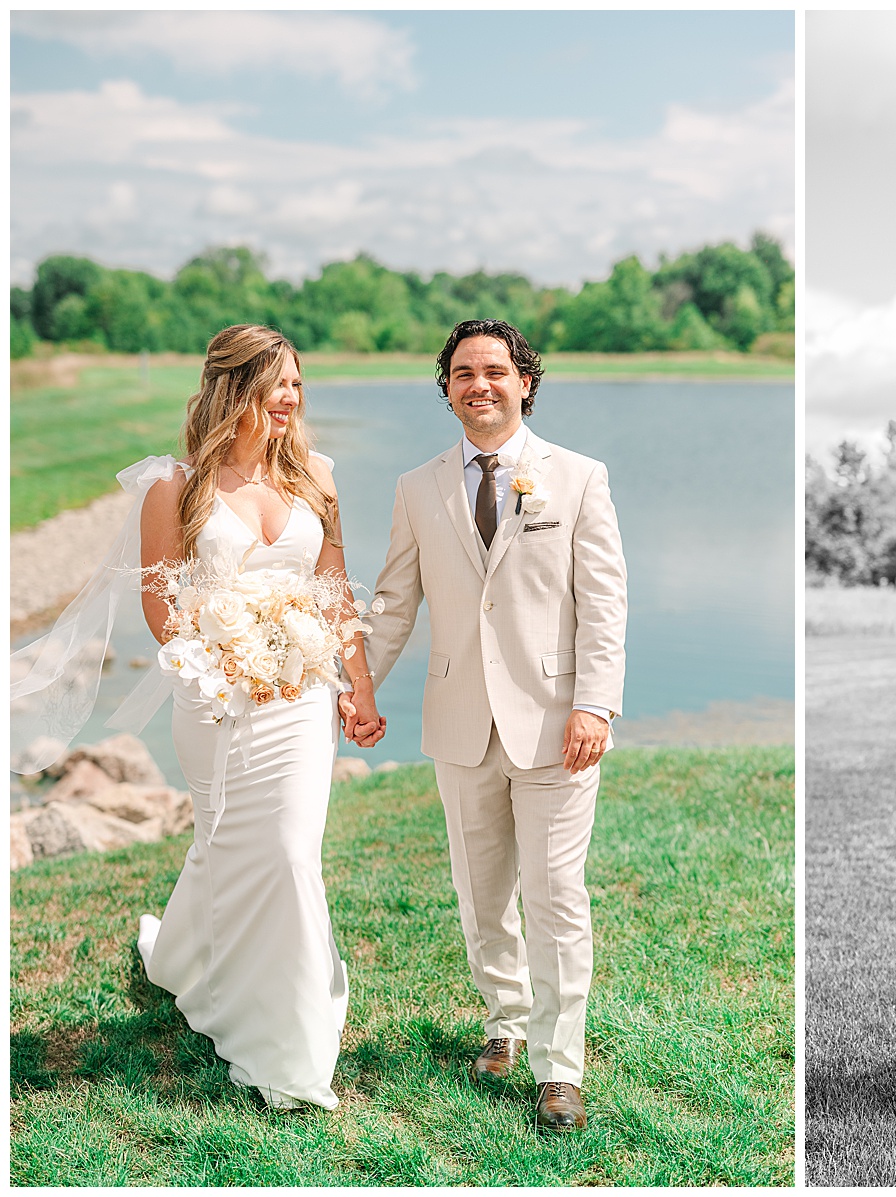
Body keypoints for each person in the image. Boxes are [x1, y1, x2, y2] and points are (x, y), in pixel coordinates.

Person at [12, 324, 385, 1111]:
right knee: (228, 845)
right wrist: (238, 652)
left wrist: (358, 685)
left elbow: (335, 587)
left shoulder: (316, 474)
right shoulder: (174, 486)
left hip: (302, 698)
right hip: (217, 700)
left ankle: (287, 1045)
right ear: (233, 388)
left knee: (288, 852)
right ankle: (210, 978)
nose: (292, 397)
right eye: (277, 383)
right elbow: (160, 608)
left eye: (296, 384)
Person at [361, 319, 627, 1131]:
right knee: (482, 897)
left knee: (556, 896)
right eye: (463, 372)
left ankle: (560, 1066)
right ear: (445, 387)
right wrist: (355, 686)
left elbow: (605, 602)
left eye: (495, 370)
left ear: (525, 383)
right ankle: (505, 1024)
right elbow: (393, 601)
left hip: (556, 724)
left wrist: (595, 701)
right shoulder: (417, 487)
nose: (479, 383)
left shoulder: (578, 477)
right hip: (458, 722)